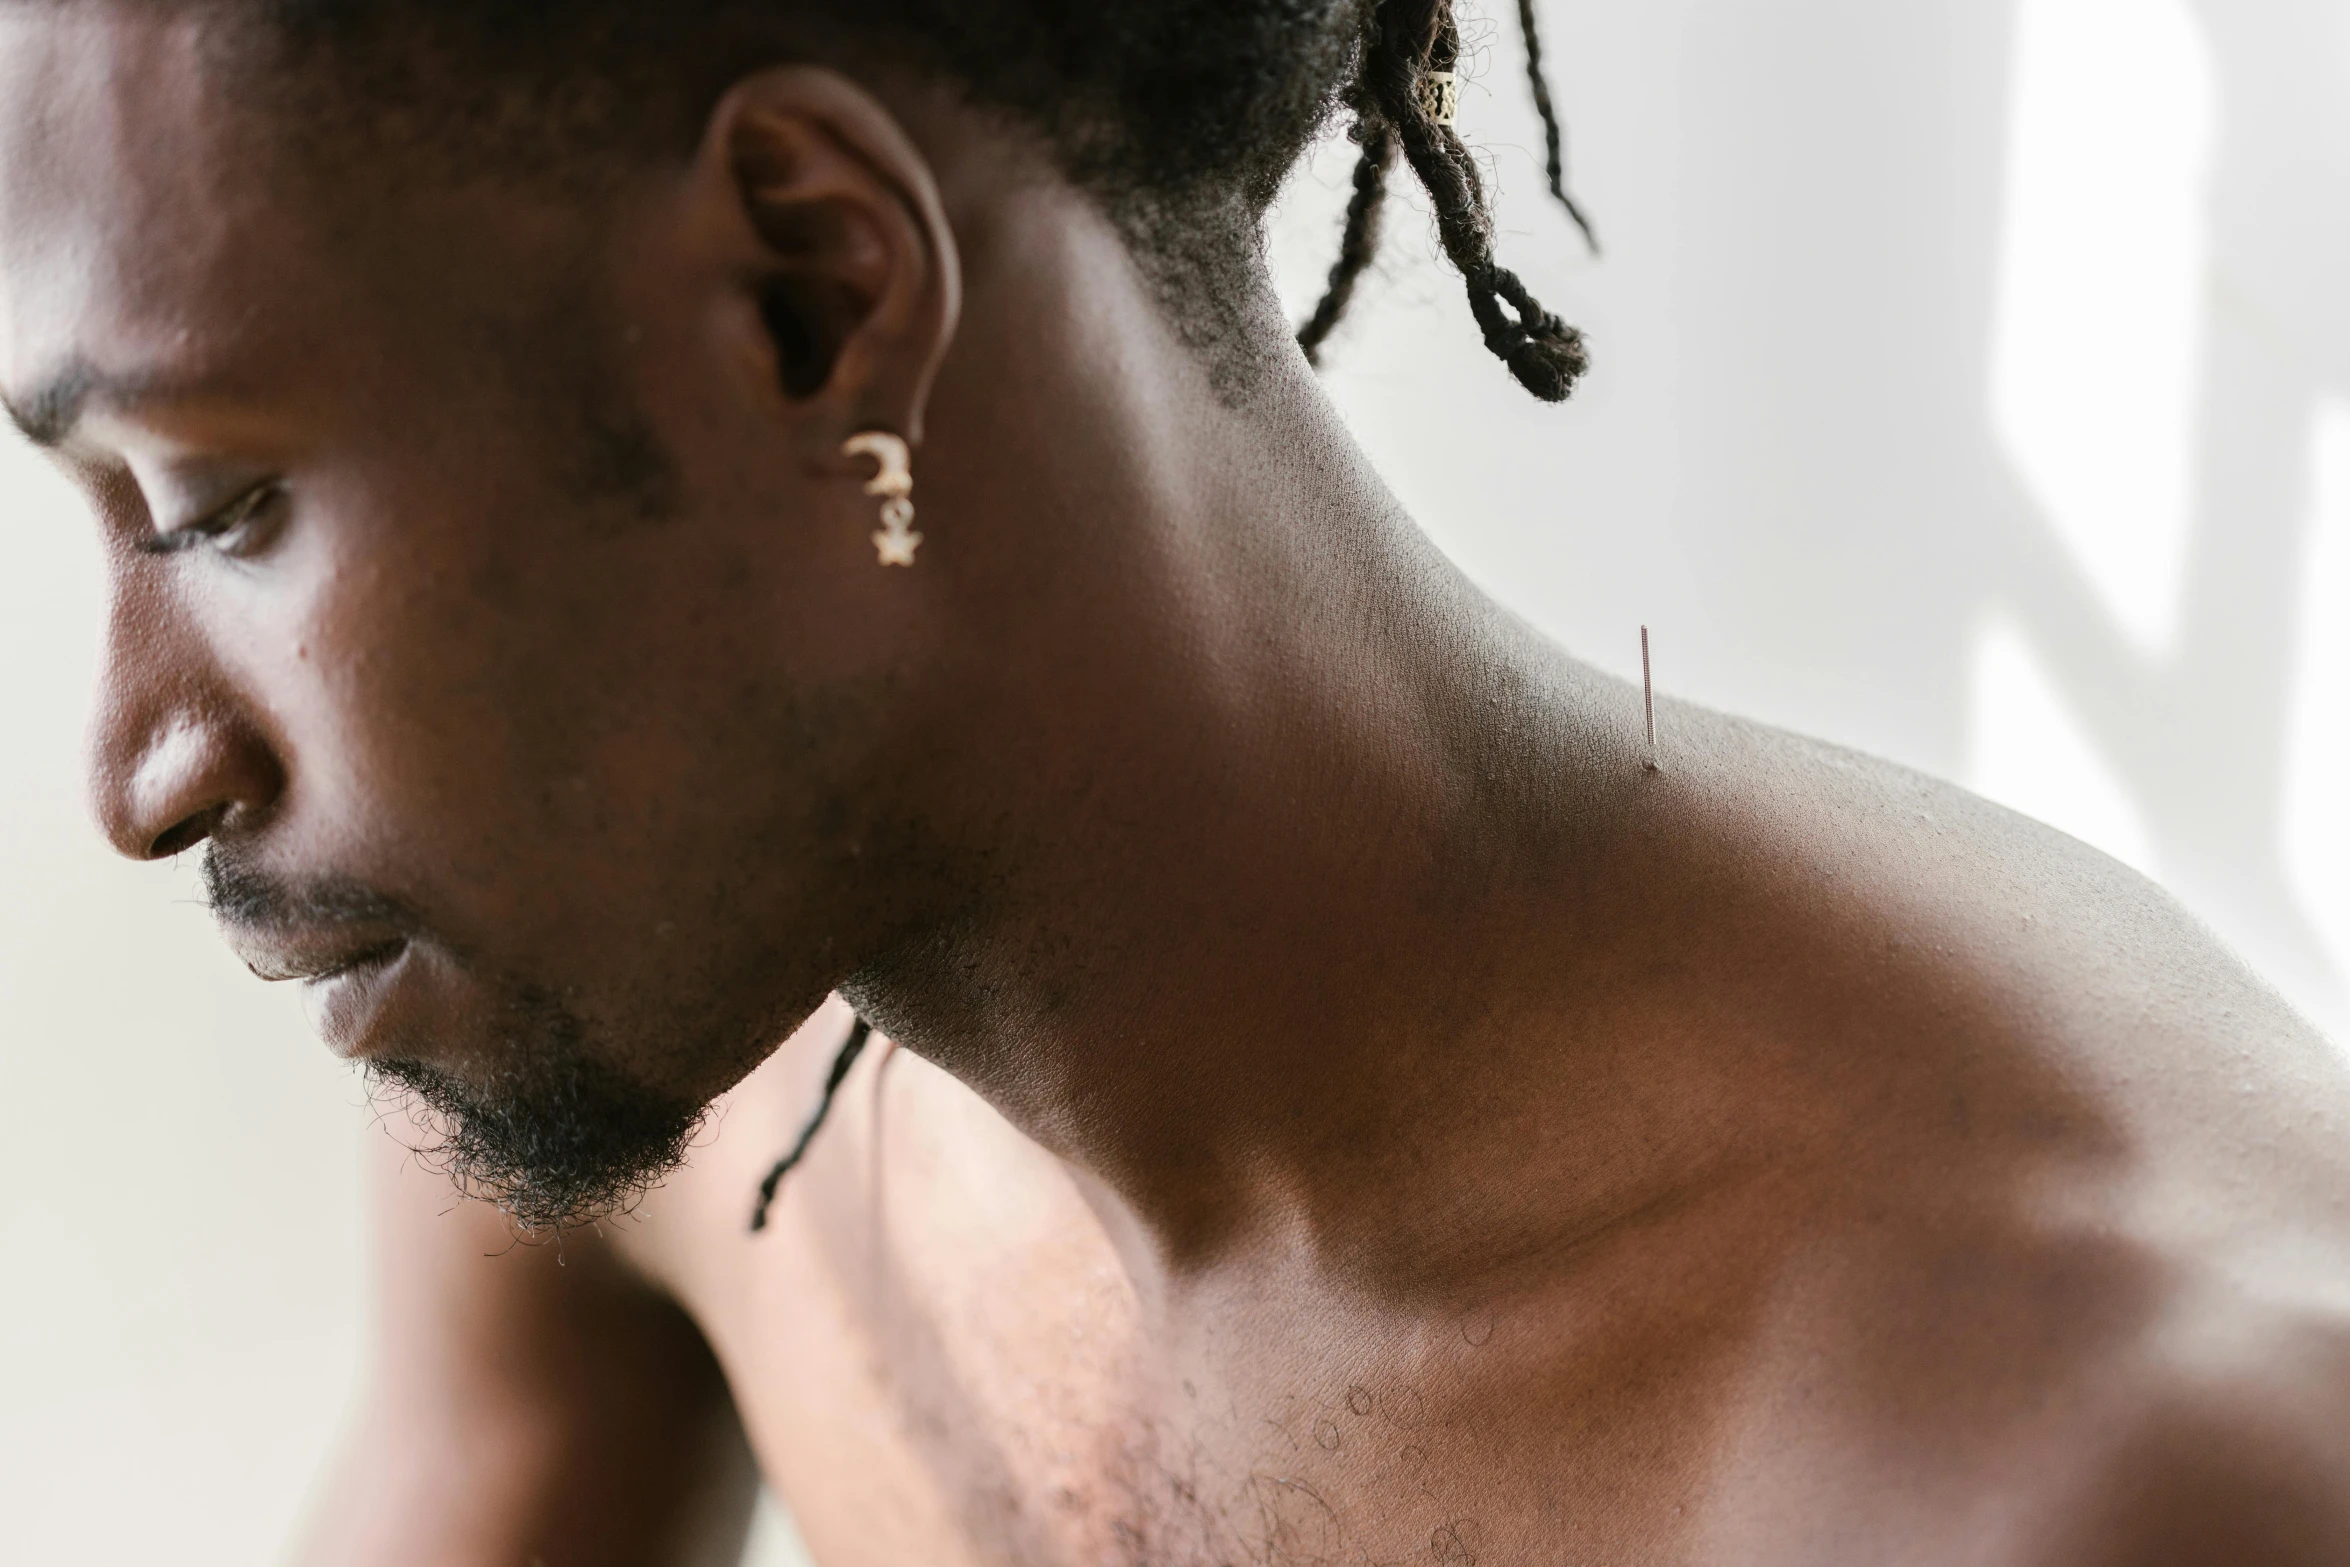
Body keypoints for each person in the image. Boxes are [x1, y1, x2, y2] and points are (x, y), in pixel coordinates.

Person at [3, 1, 2346, 1562]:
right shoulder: (658, 1037)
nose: (139, 767)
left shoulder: (2095, 1467)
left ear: (806, 296)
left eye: (213, 503)